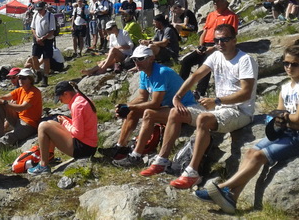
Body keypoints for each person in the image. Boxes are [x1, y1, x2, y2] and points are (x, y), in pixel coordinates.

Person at [140, 24, 258, 189]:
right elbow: (196, 75)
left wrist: (217, 101)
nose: (220, 43)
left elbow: (246, 93)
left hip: (239, 111)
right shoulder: (216, 56)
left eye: (224, 39)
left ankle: (193, 172)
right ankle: (162, 159)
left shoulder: (245, 60)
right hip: (219, 108)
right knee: (175, 113)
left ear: (234, 40)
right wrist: (178, 96)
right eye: (216, 40)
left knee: (203, 118)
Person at [194, 44, 299, 214]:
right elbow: (281, 113)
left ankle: (222, 188)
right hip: (285, 133)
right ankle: (232, 198)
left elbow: (296, 119)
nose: (289, 67)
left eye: (294, 64)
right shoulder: (286, 87)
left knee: (258, 155)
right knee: (251, 152)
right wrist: (285, 118)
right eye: (285, 63)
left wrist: (285, 118)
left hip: (296, 138)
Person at [112, 45, 196, 166]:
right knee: (133, 111)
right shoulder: (143, 73)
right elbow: (142, 97)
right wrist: (124, 106)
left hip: (184, 109)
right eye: (134, 59)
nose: (136, 62)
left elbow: (155, 104)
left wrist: (129, 107)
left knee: (148, 114)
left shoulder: (160, 72)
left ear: (151, 58)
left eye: (140, 59)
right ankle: (120, 146)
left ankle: (136, 156)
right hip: (170, 107)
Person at [28, 81, 98, 175]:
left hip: (83, 149)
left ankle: (43, 165)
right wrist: (65, 121)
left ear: (66, 94)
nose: (60, 101)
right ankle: (49, 157)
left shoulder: (76, 105)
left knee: (43, 126)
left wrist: (65, 122)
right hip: (89, 146)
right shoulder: (82, 99)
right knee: (50, 123)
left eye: (60, 99)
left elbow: (78, 133)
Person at [178, 0, 238, 97]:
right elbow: (204, 32)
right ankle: (179, 86)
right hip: (206, 44)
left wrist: (214, 48)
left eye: (217, 0)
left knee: (205, 63)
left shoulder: (231, 16)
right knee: (186, 61)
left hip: (219, 44)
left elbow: (230, 36)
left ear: (224, 2)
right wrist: (200, 46)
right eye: (214, 1)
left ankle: (200, 92)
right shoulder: (211, 15)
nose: (215, 3)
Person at [0, 68, 42, 158]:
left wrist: (4, 103)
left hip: (29, 124)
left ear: (30, 79)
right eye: (19, 77)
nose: (20, 80)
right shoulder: (20, 89)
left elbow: (22, 107)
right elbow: (3, 97)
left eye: (23, 78)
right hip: (19, 120)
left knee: (8, 138)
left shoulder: (34, 92)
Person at [30, 1, 56, 87]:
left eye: (40, 9)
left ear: (44, 8)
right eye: (38, 10)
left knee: (46, 59)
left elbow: (52, 30)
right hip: (37, 39)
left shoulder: (50, 16)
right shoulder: (35, 15)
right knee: (34, 56)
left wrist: (43, 38)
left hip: (47, 40)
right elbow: (32, 28)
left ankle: (45, 77)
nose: (39, 11)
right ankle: (38, 73)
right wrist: (37, 38)